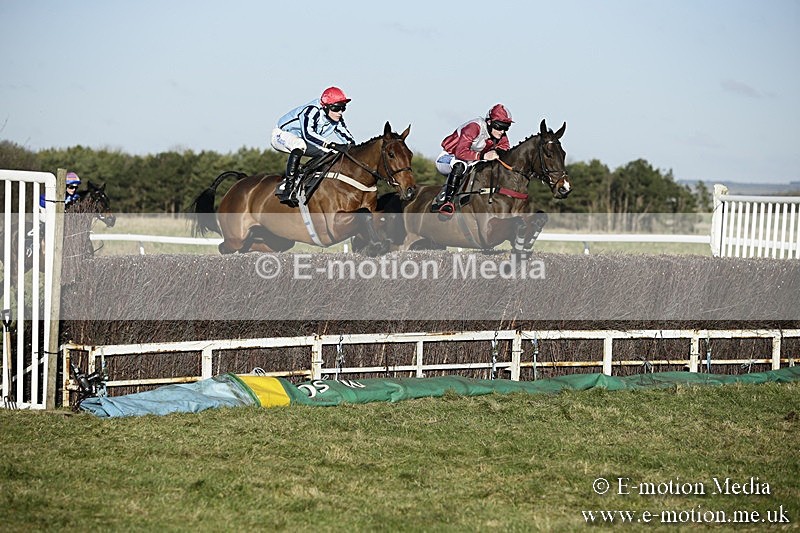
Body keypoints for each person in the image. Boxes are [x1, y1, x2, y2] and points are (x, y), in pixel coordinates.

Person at [271, 86, 356, 206]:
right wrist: (333, 144)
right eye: (337, 108)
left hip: (304, 140)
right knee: (299, 144)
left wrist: (354, 150)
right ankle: (288, 189)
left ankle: (306, 177)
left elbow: (348, 139)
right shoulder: (311, 111)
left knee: (329, 153)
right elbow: (308, 134)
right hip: (281, 135)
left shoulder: (337, 119)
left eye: (343, 108)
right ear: (325, 106)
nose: (340, 112)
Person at [431, 104, 513, 217]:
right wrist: (483, 156)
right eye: (499, 127)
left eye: (506, 127)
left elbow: (506, 151)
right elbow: (460, 152)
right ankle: (447, 202)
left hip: (471, 161)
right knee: (460, 166)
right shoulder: (474, 127)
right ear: (489, 122)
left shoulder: (500, 136)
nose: (502, 131)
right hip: (449, 158)